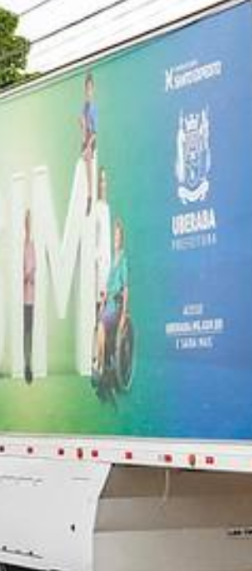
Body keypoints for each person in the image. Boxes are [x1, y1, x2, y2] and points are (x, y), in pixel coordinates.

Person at [95, 218, 128, 377]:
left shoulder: (123, 261)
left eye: (118, 237)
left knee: (101, 326)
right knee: (99, 326)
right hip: (107, 303)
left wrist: (123, 314)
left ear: (121, 240)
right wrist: (102, 301)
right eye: (114, 237)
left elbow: (126, 288)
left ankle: (99, 364)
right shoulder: (111, 261)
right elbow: (107, 288)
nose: (115, 240)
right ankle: (100, 362)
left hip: (116, 305)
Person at [92, 167, 112, 335]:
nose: (103, 184)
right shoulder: (96, 208)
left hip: (106, 274)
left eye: (105, 181)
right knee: (96, 317)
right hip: (97, 273)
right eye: (100, 181)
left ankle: (101, 357)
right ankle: (93, 357)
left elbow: (107, 244)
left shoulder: (106, 208)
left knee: (104, 319)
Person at [80, 72, 97, 216]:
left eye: (91, 88)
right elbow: (82, 125)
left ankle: (90, 196)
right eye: (87, 88)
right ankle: (88, 194)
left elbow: (95, 132)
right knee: (85, 167)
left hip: (91, 140)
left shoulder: (93, 108)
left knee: (89, 168)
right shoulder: (84, 107)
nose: (89, 91)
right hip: (85, 139)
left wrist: (88, 146)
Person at [22, 210, 35, 385]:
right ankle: (24, 363)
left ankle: (28, 363)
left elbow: (34, 270)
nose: (27, 224)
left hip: (30, 297)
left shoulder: (32, 246)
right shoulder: (20, 246)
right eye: (26, 221)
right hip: (20, 297)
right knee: (23, 330)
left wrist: (28, 276)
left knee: (29, 331)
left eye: (29, 221)